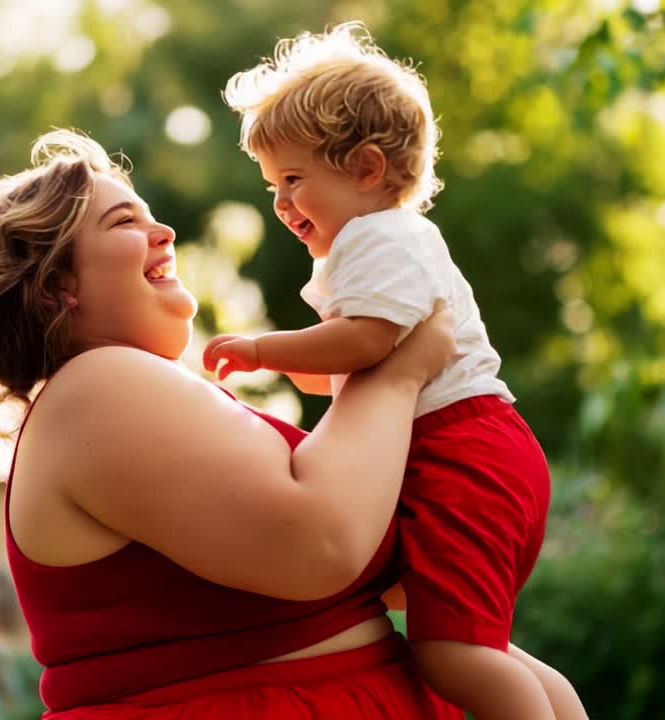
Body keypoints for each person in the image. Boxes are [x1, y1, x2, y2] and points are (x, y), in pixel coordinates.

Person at [0, 127, 466, 719]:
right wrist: (396, 369)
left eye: (149, 217)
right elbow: (320, 544)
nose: (164, 231)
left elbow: (384, 563)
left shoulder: (141, 396)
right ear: (54, 288)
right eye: (122, 223)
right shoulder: (96, 388)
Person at [205, 23, 587, 720]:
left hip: (460, 451)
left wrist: (264, 351)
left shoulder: (378, 237)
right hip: (481, 449)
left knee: (452, 659)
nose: (282, 205)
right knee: (485, 650)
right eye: (271, 187)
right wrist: (305, 372)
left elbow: (364, 346)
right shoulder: (372, 244)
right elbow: (344, 374)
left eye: (293, 180)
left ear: (367, 169)